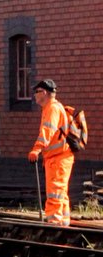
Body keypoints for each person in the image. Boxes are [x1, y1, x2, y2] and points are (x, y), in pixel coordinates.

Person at [28, 79, 75, 226]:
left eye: (36, 92)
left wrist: (37, 149)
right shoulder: (53, 107)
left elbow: (47, 131)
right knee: (60, 192)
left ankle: (54, 224)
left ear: (44, 93)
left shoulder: (52, 108)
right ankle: (63, 223)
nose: (34, 95)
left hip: (58, 158)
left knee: (55, 192)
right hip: (59, 157)